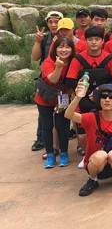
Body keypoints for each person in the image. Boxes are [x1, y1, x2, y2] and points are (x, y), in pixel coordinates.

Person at [65, 82, 112, 196]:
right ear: (99, 101)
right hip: (95, 163)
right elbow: (68, 115)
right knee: (101, 155)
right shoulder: (91, 117)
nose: (107, 99)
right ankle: (93, 180)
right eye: (103, 96)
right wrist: (78, 97)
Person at [66, 26, 112, 168]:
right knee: (84, 133)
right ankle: (87, 155)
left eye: (97, 39)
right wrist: (83, 92)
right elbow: (71, 79)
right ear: (85, 41)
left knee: (107, 129)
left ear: (102, 41)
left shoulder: (109, 58)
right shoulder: (78, 59)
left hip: (105, 97)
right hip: (84, 98)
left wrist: (99, 92)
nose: (94, 42)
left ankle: (109, 155)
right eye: (90, 39)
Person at [35, 36, 75, 168]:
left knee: (62, 126)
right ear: (55, 49)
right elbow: (52, 80)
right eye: (60, 47)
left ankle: (64, 153)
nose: (64, 50)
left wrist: (62, 101)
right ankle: (50, 154)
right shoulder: (49, 61)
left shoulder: (74, 62)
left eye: (67, 47)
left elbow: (72, 83)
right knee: (47, 126)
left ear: (72, 49)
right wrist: (58, 67)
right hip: (44, 98)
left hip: (62, 96)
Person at [31, 10, 63, 152]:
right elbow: (35, 57)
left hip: (63, 79)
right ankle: (41, 139)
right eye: (50, 22)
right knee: (44, 112)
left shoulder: (66, 38)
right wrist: (38, 41)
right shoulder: (44, 38)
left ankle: (62, 140)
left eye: (56, 22)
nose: (54, 25)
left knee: (63, 110)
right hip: (47, 79)